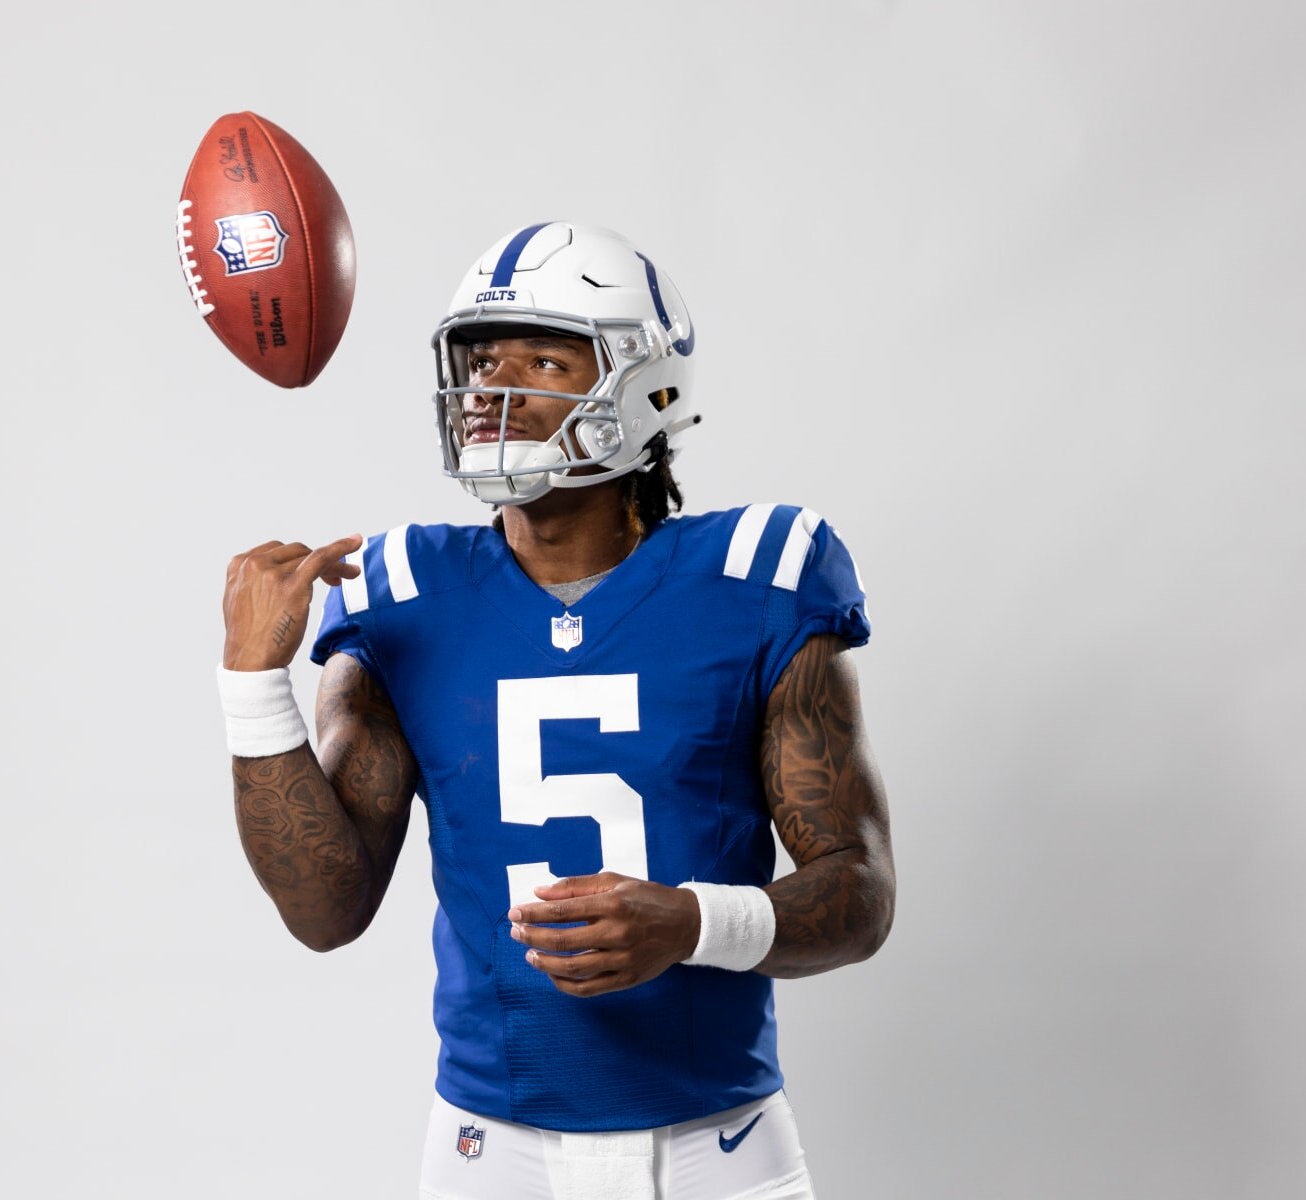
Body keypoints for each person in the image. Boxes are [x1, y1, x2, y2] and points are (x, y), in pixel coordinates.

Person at [216, 222, 894, 1200]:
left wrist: (690, 924)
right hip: (491, 1159)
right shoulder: (401, 592)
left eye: (540, 357)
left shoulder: (760, 574)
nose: (493, 389)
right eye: (480, 360)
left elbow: (861, 893)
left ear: (646, 385)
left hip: (721, 1151)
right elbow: (327, 913)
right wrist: (251, 687)